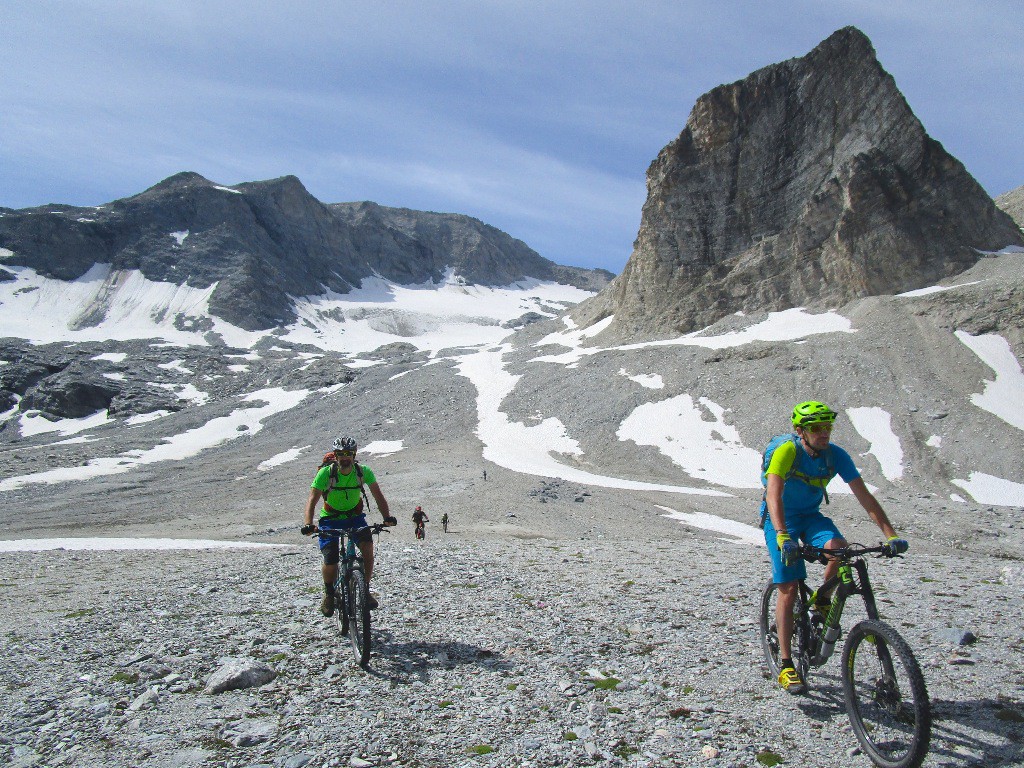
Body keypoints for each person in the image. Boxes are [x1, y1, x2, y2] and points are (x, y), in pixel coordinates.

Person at [761, 401, 908, 694]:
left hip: (811, 517)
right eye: (817, 428)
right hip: (780, 520)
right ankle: (788, 664)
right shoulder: (787, 452)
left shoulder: (835, 456)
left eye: (827, 427)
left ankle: (822, 599)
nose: (824, 433)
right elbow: (773, 496)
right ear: (801, 431)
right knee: (789, 587)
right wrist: (781, 535)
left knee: (840, 549)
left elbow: (864, 496)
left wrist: (891, 535)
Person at [301, 437, 396, 615]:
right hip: (330, 519)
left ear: (354, 455)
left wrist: (387, 517)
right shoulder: (325, 474)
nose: (345, 458)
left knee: (368, 547)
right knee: (331, 559)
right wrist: (308, 524)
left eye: (348, 454)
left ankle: (365, 589)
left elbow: (378, 495)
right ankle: (329, 594)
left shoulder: (363, 471)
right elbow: (311, 500)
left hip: (355, 517)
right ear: (335, 456)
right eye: (341, 454)